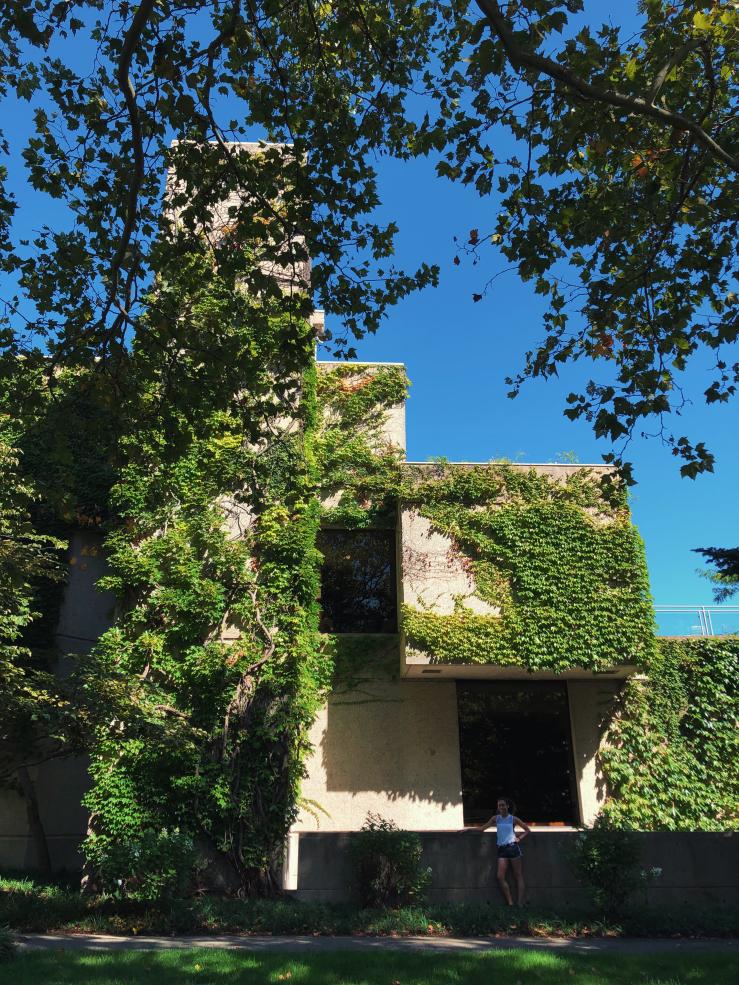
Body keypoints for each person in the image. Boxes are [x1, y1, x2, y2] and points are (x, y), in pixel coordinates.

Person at [482, 797, 532, 906]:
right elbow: (482, 828)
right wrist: (467, 829)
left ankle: (520, 903)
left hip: (513, 848)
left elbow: (527, 830)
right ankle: (510, 902)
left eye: (503, 805)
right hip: (502, 850)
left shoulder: (513, 819)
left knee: (518, 875)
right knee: (500, 876)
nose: (501, 807)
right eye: (499, 805)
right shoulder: (496, 819)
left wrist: (519, 838)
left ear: (507, 806)